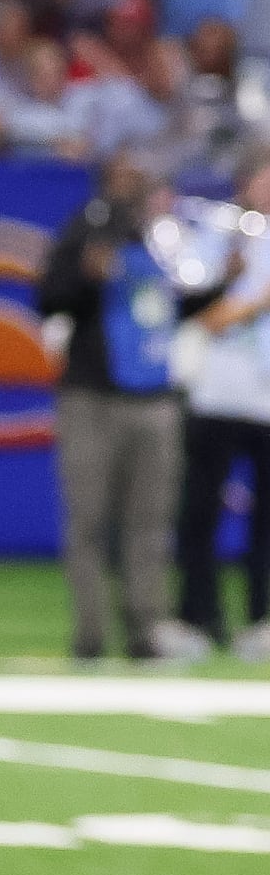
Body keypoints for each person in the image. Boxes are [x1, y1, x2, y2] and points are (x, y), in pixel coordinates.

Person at [37, 157, 210, 662]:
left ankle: (146, 632)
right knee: (89, 521)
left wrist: (221, 285)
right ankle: (90, 636)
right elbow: (49, 299)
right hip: (93, 396)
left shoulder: (162, 239)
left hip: (154, 398)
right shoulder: (83, 229)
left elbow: (178, 307)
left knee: (150, 523)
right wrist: (86, 278)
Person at [176, 154, 270, 659]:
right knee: (202, 512)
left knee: (266, 522)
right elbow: (194, 315)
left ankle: (262, 618)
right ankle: (197, 617)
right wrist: (246, 296)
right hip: (217, 392)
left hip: (267, 397)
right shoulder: (217, 236)